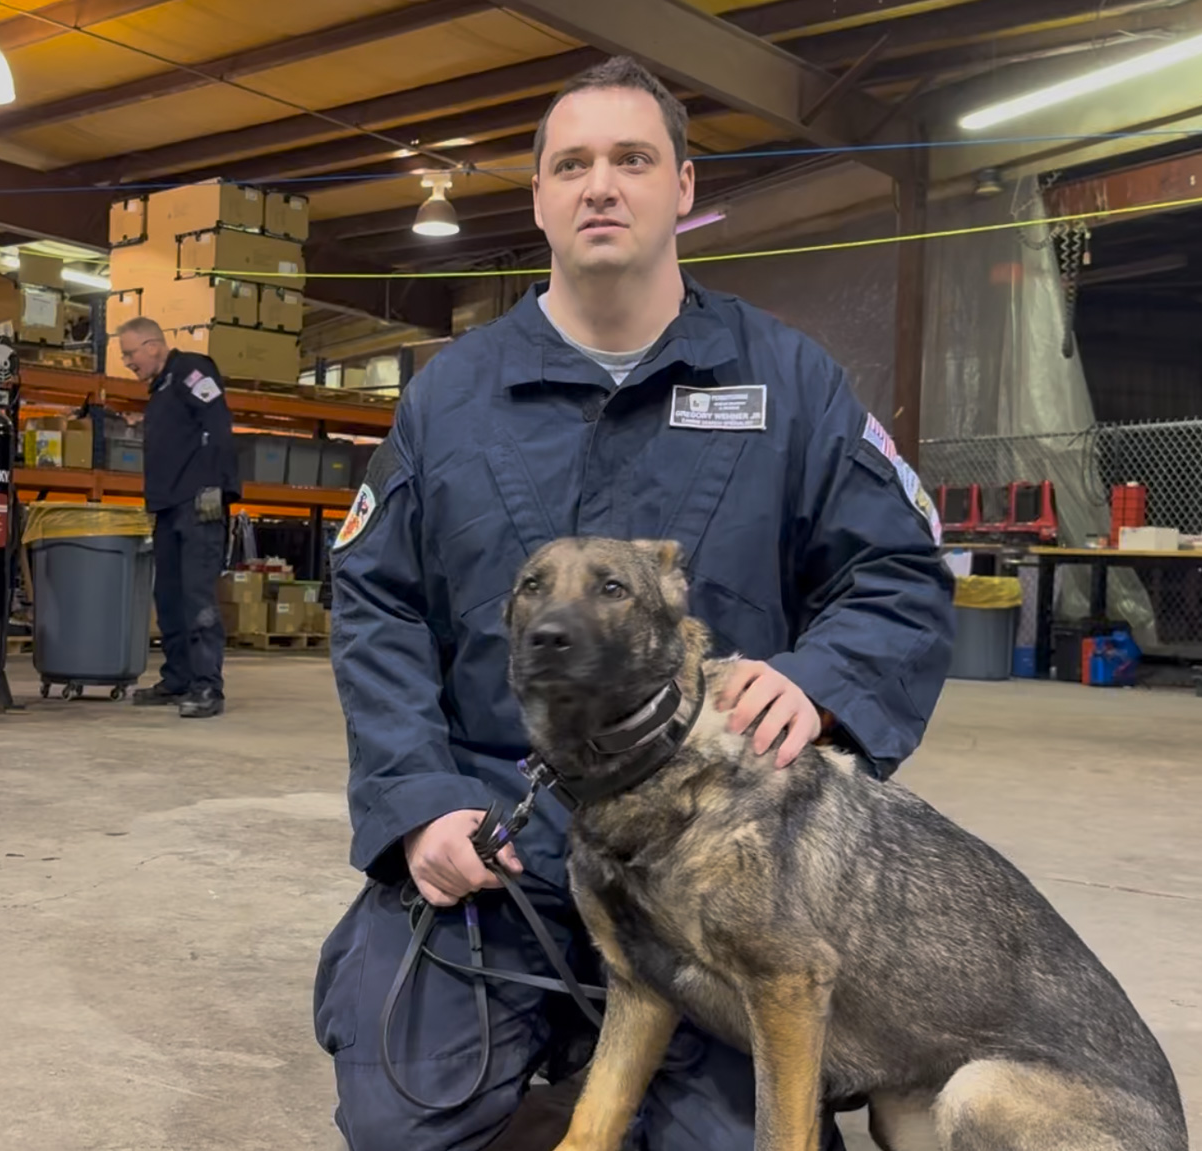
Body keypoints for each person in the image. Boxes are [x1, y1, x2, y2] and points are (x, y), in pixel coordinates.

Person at [313, 57, 955, 1151]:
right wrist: (417, 802)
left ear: (682, 187)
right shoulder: (449, 397)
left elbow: (896, 569)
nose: (600, 185)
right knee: (406, 1120)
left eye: (631, 159)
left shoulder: (788, 382)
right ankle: (556, 1062)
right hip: (501, 829)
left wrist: (822, 680)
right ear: (537, 198)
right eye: (571, 164)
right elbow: (376, 603)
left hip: (715, 844)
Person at [114, 315, 239, 719]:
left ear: (153, 345)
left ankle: (207, 686)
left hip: (198, 503)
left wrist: (214, 486)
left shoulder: (191, 369)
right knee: (168, 596)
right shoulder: (162, 389)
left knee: (197, 595)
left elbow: (217, 422)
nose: (127, 362)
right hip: (168, 506)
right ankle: (179, 678)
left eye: (129, 353)